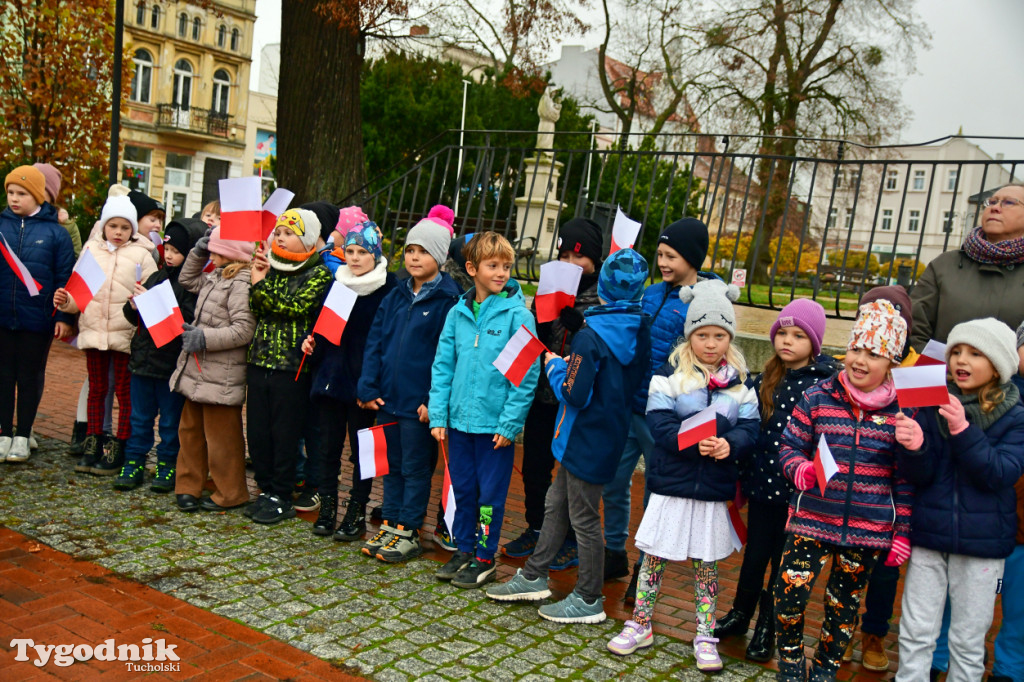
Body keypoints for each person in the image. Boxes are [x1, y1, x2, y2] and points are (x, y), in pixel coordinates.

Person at [486, 248, 651, 623]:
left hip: (581, 437)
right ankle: (534, 573)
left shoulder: (589, 339)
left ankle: (589, 597)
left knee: (583, 517)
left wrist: (557, 367)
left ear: (604, 287)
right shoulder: (640, 327)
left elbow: (575, 393)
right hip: (607, 434)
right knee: (556, 503)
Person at [606, 279, 759, 671]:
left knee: (706, 564)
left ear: (729, 336)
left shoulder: (741, 383)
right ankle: (641, 622)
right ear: (690, 334)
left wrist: (730, 445)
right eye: (703, 334)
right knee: (654, 556)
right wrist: (691, 441)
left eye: (720, 335)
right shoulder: (668, 374)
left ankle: (705, 632)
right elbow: (659, 425)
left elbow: (749, 428)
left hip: (711, 488)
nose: (711, 343)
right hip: (672, 484)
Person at [774, 299, 919, 682]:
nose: (860, 359)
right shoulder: (819, 396)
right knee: (789, 599)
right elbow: (788, 446)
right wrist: (800, 470)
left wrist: (901, 532)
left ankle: (824, 669)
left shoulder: (904, 412)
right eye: (856, 348)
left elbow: (904, 481)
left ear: (891, 362)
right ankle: (790, 661)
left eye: (873, 353)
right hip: (811, 520)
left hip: (865, 530)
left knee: (843, 609)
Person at [895, 319, 1024, 682]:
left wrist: (963, 431)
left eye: (974, 353)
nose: (960, 360)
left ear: (998, 364)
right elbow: (920, 475)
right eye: (956, 352)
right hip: (929, 536)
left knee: (968, 639)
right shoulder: (932, 401)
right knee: (916, 630)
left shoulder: (1016, 417)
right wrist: (915, 446)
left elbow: (1000, 474)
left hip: (983, 546)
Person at [715, 298, 834, 663]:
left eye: (798, 335)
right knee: (754, 555)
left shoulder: (825, 384)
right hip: (763, 485)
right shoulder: (766, 377)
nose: (788, 341)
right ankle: (740, 613)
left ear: (813, 343)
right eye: (782, 333)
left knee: (783, 563)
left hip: (798, 493)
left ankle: (769, 624)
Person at [604, 217, 715, 595]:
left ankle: (644, 569)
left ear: (692, 258)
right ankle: (612, 549)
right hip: (630, 405)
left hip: (664, 416)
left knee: (656, 492)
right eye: (660, 255)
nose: (663, 262)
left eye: (671, 256)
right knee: (613, 480)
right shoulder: (649, 294)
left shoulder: (704, 301)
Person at [428, 232, 539, 588]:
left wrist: (509, 425)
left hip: (493, 429)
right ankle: (463, 548)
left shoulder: (518, 316)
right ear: (472, 269)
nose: (502, 272)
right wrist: (439, 415)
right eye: (493, 266)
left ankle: (484, 556)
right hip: (460, 424)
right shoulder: (457, 313)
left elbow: (525, 376)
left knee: (489, 496)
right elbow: (443, 366)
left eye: (507, 266)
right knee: (463, 490)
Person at [356, 212, 460, 561]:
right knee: (390, 464)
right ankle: (391, 522)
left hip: (418, 405)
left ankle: (410, 529)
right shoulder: (396, 294)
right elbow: (375, 342)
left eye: (423, 252)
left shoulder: (448, 301)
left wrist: (435, 401)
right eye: (410, 250)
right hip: (387, 399)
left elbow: (448, 357)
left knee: (415, 468)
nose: (414, 258)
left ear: (440, 257)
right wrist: (368, 386)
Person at [503, 218, 602, 571]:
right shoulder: (549, 287)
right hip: (542, 395)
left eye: (579, 258)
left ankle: (571, 538)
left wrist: (581, 326)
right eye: (564, 256)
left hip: (575, 400)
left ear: (594, 259)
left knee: (571, 475)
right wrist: (541, 323)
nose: (572, 265)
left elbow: (604, 346)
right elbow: (531, 338)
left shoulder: (602, 294)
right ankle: (537, 526)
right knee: (534, 466)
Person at [839, 285, 916, 671]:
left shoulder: (915, 384)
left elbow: (915, 462)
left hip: (884, 509)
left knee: (885, 576)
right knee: (843, 576)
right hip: (844, 505)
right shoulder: (835, 386)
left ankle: (874, 633)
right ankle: (841, 629)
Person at [303, 221, 397, 540]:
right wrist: (310, 342)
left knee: (364, 453)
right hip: (331, 379)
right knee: (328, 447)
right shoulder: (338, 283)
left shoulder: (387, 291)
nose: (354, 258)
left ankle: (356, 508)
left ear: (375, 254)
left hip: (364, 387)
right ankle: (328, 506)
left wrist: (372, 384)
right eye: (350, 251)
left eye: (362, 252)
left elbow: (387, 343)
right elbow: (322, 329)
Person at [55, 195, 158, 474]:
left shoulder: (142, 255)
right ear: (103, 226)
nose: (118, 232)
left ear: (132, 230)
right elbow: (78, 293)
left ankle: (120, 445)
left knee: (125, 393)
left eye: (125, 228)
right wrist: (66, 302)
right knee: (97, 390)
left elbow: (152, 290)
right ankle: (94, 440)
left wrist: (143, 300)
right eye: (113, 226)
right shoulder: (91, 250)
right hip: (95, 330)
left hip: (125, 335)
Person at [245, 209, 332, 524]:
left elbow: (294, 308)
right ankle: (265, 488)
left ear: (306, 238)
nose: (279, 237)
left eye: (288, 232)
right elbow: (258, 307)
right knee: (257, 432)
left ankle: (281, 493)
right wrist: (260, 281)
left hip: (291, 367)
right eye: (278, 232)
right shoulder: (270, 267)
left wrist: (259, 284)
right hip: (259, 361)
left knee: (284, 434)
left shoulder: (318, 273)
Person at [170, 227, 256, 512]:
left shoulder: (240, 283)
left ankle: (231, 492)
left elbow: (244, 330)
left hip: (222, 374)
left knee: (222, 439)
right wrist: (197, 251)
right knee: (191, 431)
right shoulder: (217, 276)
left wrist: (204, 338)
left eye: (216, 249)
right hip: (198, 368)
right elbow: (186, 279)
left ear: (231, 253)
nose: (211, 253)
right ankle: (187, 485)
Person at [115, 217, 204, 491]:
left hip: (170, 365)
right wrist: (134, 305)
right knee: (139, 418)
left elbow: (185, 321)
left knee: (169, 422)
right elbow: (137, 320)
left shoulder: (192, 286)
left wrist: (155, 304)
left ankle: (167, 465)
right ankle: (134, 461)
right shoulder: (156, 276)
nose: (169, 255)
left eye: (177, 251)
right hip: (142, 361)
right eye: (167, 249)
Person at [0, 166, 75, 463]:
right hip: (3, 315)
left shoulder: (56, 234)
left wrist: (64, 317)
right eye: (10, 193)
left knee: (29, 376)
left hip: (38, 319)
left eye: (22, 193)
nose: (15, 199)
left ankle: (23, 434)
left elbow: (65, 278)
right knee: (4, 376)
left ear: (37, 196)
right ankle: (5, 433)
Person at [910, 183, 1024, 350]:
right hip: (940, 373)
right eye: (991, 202)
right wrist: (937, 371)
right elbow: (915, 327)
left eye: (1008, 203)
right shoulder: (945, 265)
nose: (995, 208)